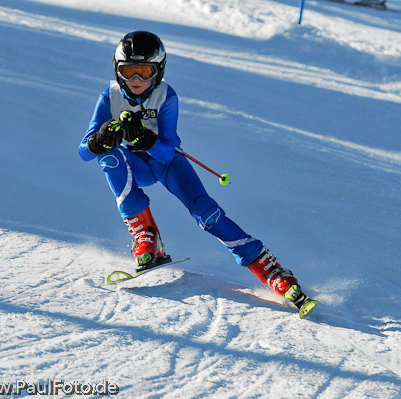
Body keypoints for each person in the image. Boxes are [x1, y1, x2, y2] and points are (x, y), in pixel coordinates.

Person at [78, 31, 316, 313]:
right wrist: (100, 139)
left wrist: (147, 140)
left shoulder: (167, 96)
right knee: (109, 158)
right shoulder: (110, 97)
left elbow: (167, 150)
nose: (137, 81)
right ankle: (147, 236)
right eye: (129, 71)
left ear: (159, 71)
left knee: (207, 214)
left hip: (167, 165)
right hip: (135, 167)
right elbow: (84, 151)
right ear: (118, 71)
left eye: (144, 72)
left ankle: (271, 270)